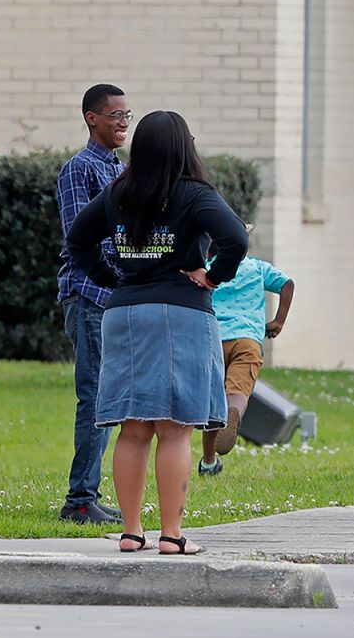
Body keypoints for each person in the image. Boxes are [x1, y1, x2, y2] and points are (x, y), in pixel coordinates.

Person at [67, 110, 248, 555]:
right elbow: (236, 240)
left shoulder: (117, 193)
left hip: (125, 314)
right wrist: (212, 276)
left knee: (132, 429)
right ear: (184, 146)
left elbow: (77, 240)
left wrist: (112, 279)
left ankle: (131, 532)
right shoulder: (193, 194)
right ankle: (171, 535)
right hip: (180, 315)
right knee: (174, 429)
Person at [55, 83, 130, 525]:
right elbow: (79, 237)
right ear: (92, 118)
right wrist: (121, 273)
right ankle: (79, 499)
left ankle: (90, 494)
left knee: (109, 398)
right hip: (89, 295)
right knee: (95, 397)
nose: (123, 122)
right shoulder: (78, 170)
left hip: (116, 297)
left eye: (127, 115)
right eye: (115, 115)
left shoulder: (119, 170)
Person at [198, 224, 296, 476]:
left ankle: (208, 462)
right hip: (248, 341)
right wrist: (278, 321)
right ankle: (235, 414)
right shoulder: (256, 267)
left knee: (213, 403)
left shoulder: (208, 269)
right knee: (237, 392)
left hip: (213, 339)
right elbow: (287, 284)